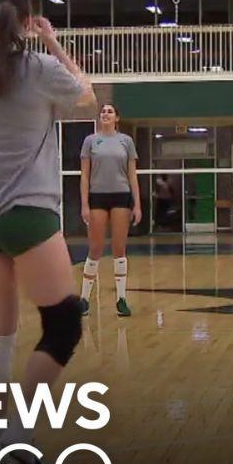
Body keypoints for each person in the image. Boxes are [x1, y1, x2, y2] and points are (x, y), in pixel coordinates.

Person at [0, 0, 97, 464]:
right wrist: (52, 41)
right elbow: (88, 95)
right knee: (65, 324)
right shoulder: (41, 68)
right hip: (28, 213)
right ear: (28, 23)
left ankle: (0, 441)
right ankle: (16, 435)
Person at [78, 103, 141, 317]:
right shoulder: (90, 141)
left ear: (117, 118)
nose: (105, 114)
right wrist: (84, 204)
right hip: (97, 196)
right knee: (95, 248)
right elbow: (84, 176)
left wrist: (137, 204)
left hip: (121, 195)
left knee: (118, 248)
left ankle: (121, 299)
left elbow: (132, 175)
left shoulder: (126, 141)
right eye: (103, 111)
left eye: (110, 111)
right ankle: (84, 299)